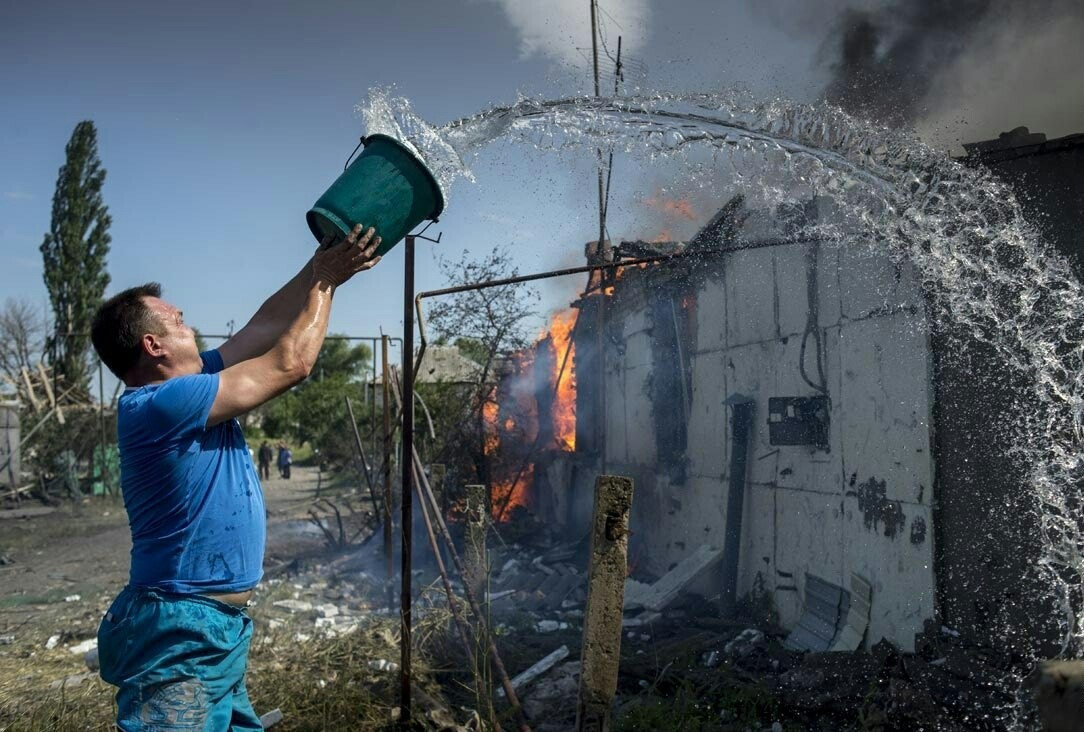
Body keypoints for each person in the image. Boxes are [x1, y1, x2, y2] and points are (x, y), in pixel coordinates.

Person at [89, 224, 381, 729]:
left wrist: (321, 264)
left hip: (210, 629)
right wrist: (328, 283)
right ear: (153, 345)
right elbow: (291, 362)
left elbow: (264, 326)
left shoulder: (189, 385)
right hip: (179, 631)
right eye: (177, 321)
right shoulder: (162, 403)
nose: (189, 324)